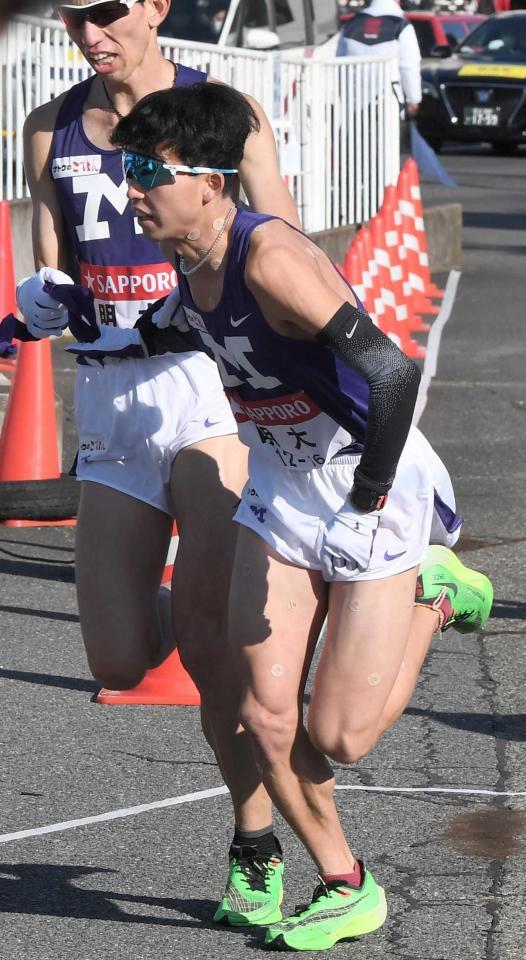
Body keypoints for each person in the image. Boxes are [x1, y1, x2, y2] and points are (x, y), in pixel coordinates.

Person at [66, 80, 493, 949]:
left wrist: (369, 498)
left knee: (339, 733)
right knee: (264, 716)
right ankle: (347, 883)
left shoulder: (269, 257)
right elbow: (168, 332)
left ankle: (435, 594)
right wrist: (55, 313)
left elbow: (393, 374)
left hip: (367, 482)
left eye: (150, 172)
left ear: (212, 182)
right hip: (280, 494)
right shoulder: (190, 261)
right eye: (127, 169)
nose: (132, 190)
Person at [15, 0, 299, 926]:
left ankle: (254, 843)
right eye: (73, 17)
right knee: (121, 653)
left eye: (107, 12)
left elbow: (284, 240)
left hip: (206, 387)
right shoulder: (50, 127)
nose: (90, 33)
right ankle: (213, 610)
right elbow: (53, 258)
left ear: (157, 8)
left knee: (213, 654)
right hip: (110, 400)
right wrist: (42, 297)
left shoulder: (222, 110)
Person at [336, 0, 422, 119]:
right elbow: (409, 66)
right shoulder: (402, 25)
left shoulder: (350, 24)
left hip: (354, 106)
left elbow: (339, 63)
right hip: (388, 107)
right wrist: (413, 99)